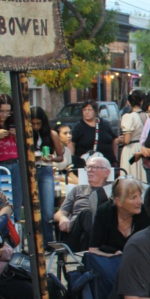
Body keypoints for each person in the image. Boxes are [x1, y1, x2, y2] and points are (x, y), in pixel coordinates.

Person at [54, 155, 112, 252]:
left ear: (107, 172)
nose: (90, 170)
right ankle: (95, 250)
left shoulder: (112, 190)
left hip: (102, 231)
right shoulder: (78, 189)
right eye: (88, 167)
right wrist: (62, 218)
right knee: (87, 214)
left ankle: (89, 257)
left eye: (95, 167)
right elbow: (59, 213)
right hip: (75, 234)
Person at [88, 178, 150, 256]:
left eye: (140, 196)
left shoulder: (146, 214)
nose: (140, 201)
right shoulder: (104, 212)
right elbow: (93, 249)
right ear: (118, 201)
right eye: (133, 198)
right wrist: (111, 257)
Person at [30, 107, 64, 242]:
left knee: (47, 211)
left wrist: (51, 158)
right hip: (31, 170)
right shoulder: (26, 134)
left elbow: (60, 157)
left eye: (38, 123)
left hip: (45, 169)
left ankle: (48, 241)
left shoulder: (51, 134)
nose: (36, 127)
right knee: (32, 209)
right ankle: (36, 242)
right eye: (33, 123)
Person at [0, 95, 21, 219]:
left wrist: (18, 135)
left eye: (8, 112)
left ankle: (17, 224)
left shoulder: (15, 123)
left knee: (17, 197)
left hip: (15, 162)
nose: (4, 115)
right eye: (2, 111)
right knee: (1, 198)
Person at [68, 100, 117, 167]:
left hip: (107, 163)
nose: (86, 112)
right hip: (87, 165)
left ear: (95, 111)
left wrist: (115, 156)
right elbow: (71, 143)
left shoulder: (105, 124)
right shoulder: (79, 126)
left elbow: (114, 140)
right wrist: (72, 159)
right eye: (84, 110)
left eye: (89, 110)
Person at [119, 90, 147, 181]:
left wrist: (119, 140)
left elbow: (126, 140)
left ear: (128, 102)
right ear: (141, 101)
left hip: (131, 149)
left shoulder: (129, 117)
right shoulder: (148, 116)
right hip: (144, 148)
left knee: (130, 177)